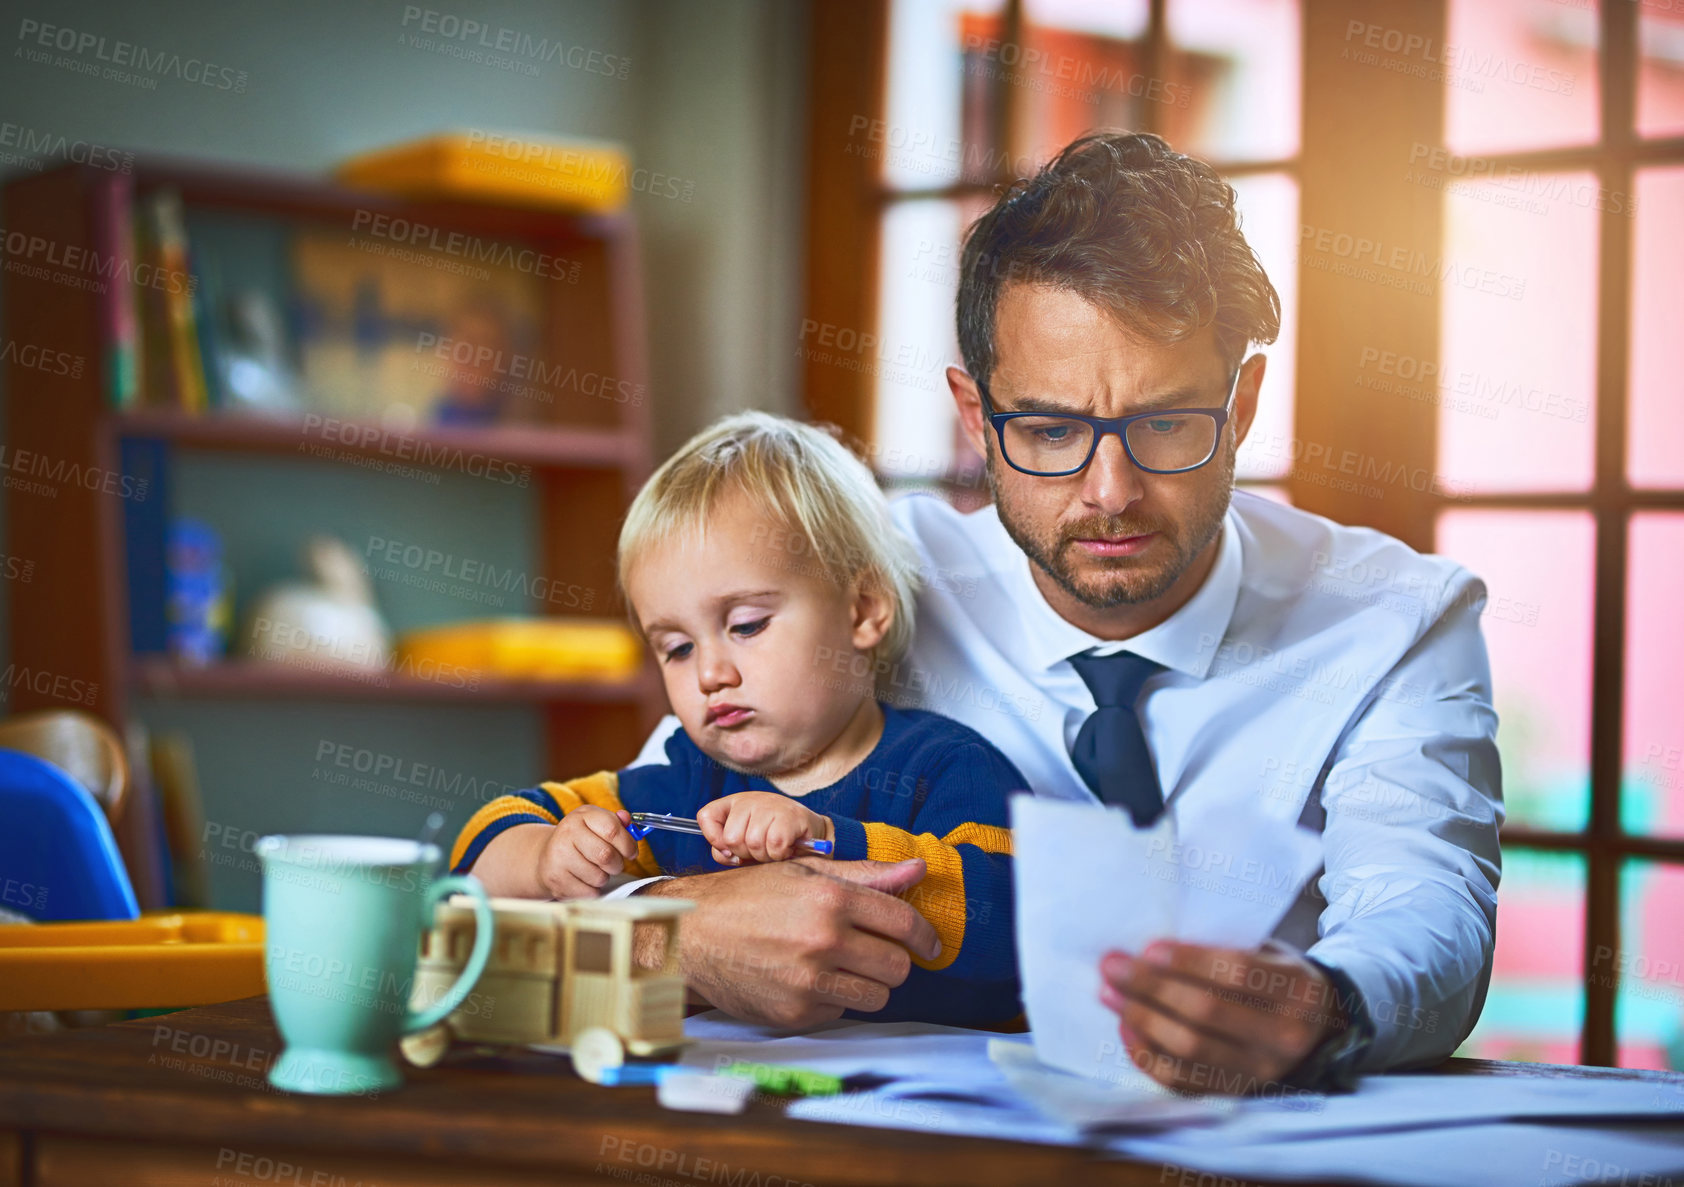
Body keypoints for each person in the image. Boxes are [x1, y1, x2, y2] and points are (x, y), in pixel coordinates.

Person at [613, 132, 1503, 1094]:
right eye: (1049, 430)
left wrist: (1322, 1005)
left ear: (1242, 404)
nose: (1108, 491)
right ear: (973, 416)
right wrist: (670, 929)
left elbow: (1427, 914)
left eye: (1165, 423)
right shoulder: (859, 586)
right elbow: (642, 811)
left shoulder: (1396, 620)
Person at [450, 412, 1026, 1025]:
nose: (709, 674)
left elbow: (1016, 909)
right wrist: (547, 858)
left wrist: (825, 839)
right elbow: (477, 851)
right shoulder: (688, 776)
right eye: (676, 647)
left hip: (920, 1100)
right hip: (727, 1093)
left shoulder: (943, 764)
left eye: (746, 625)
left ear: (862, 612)